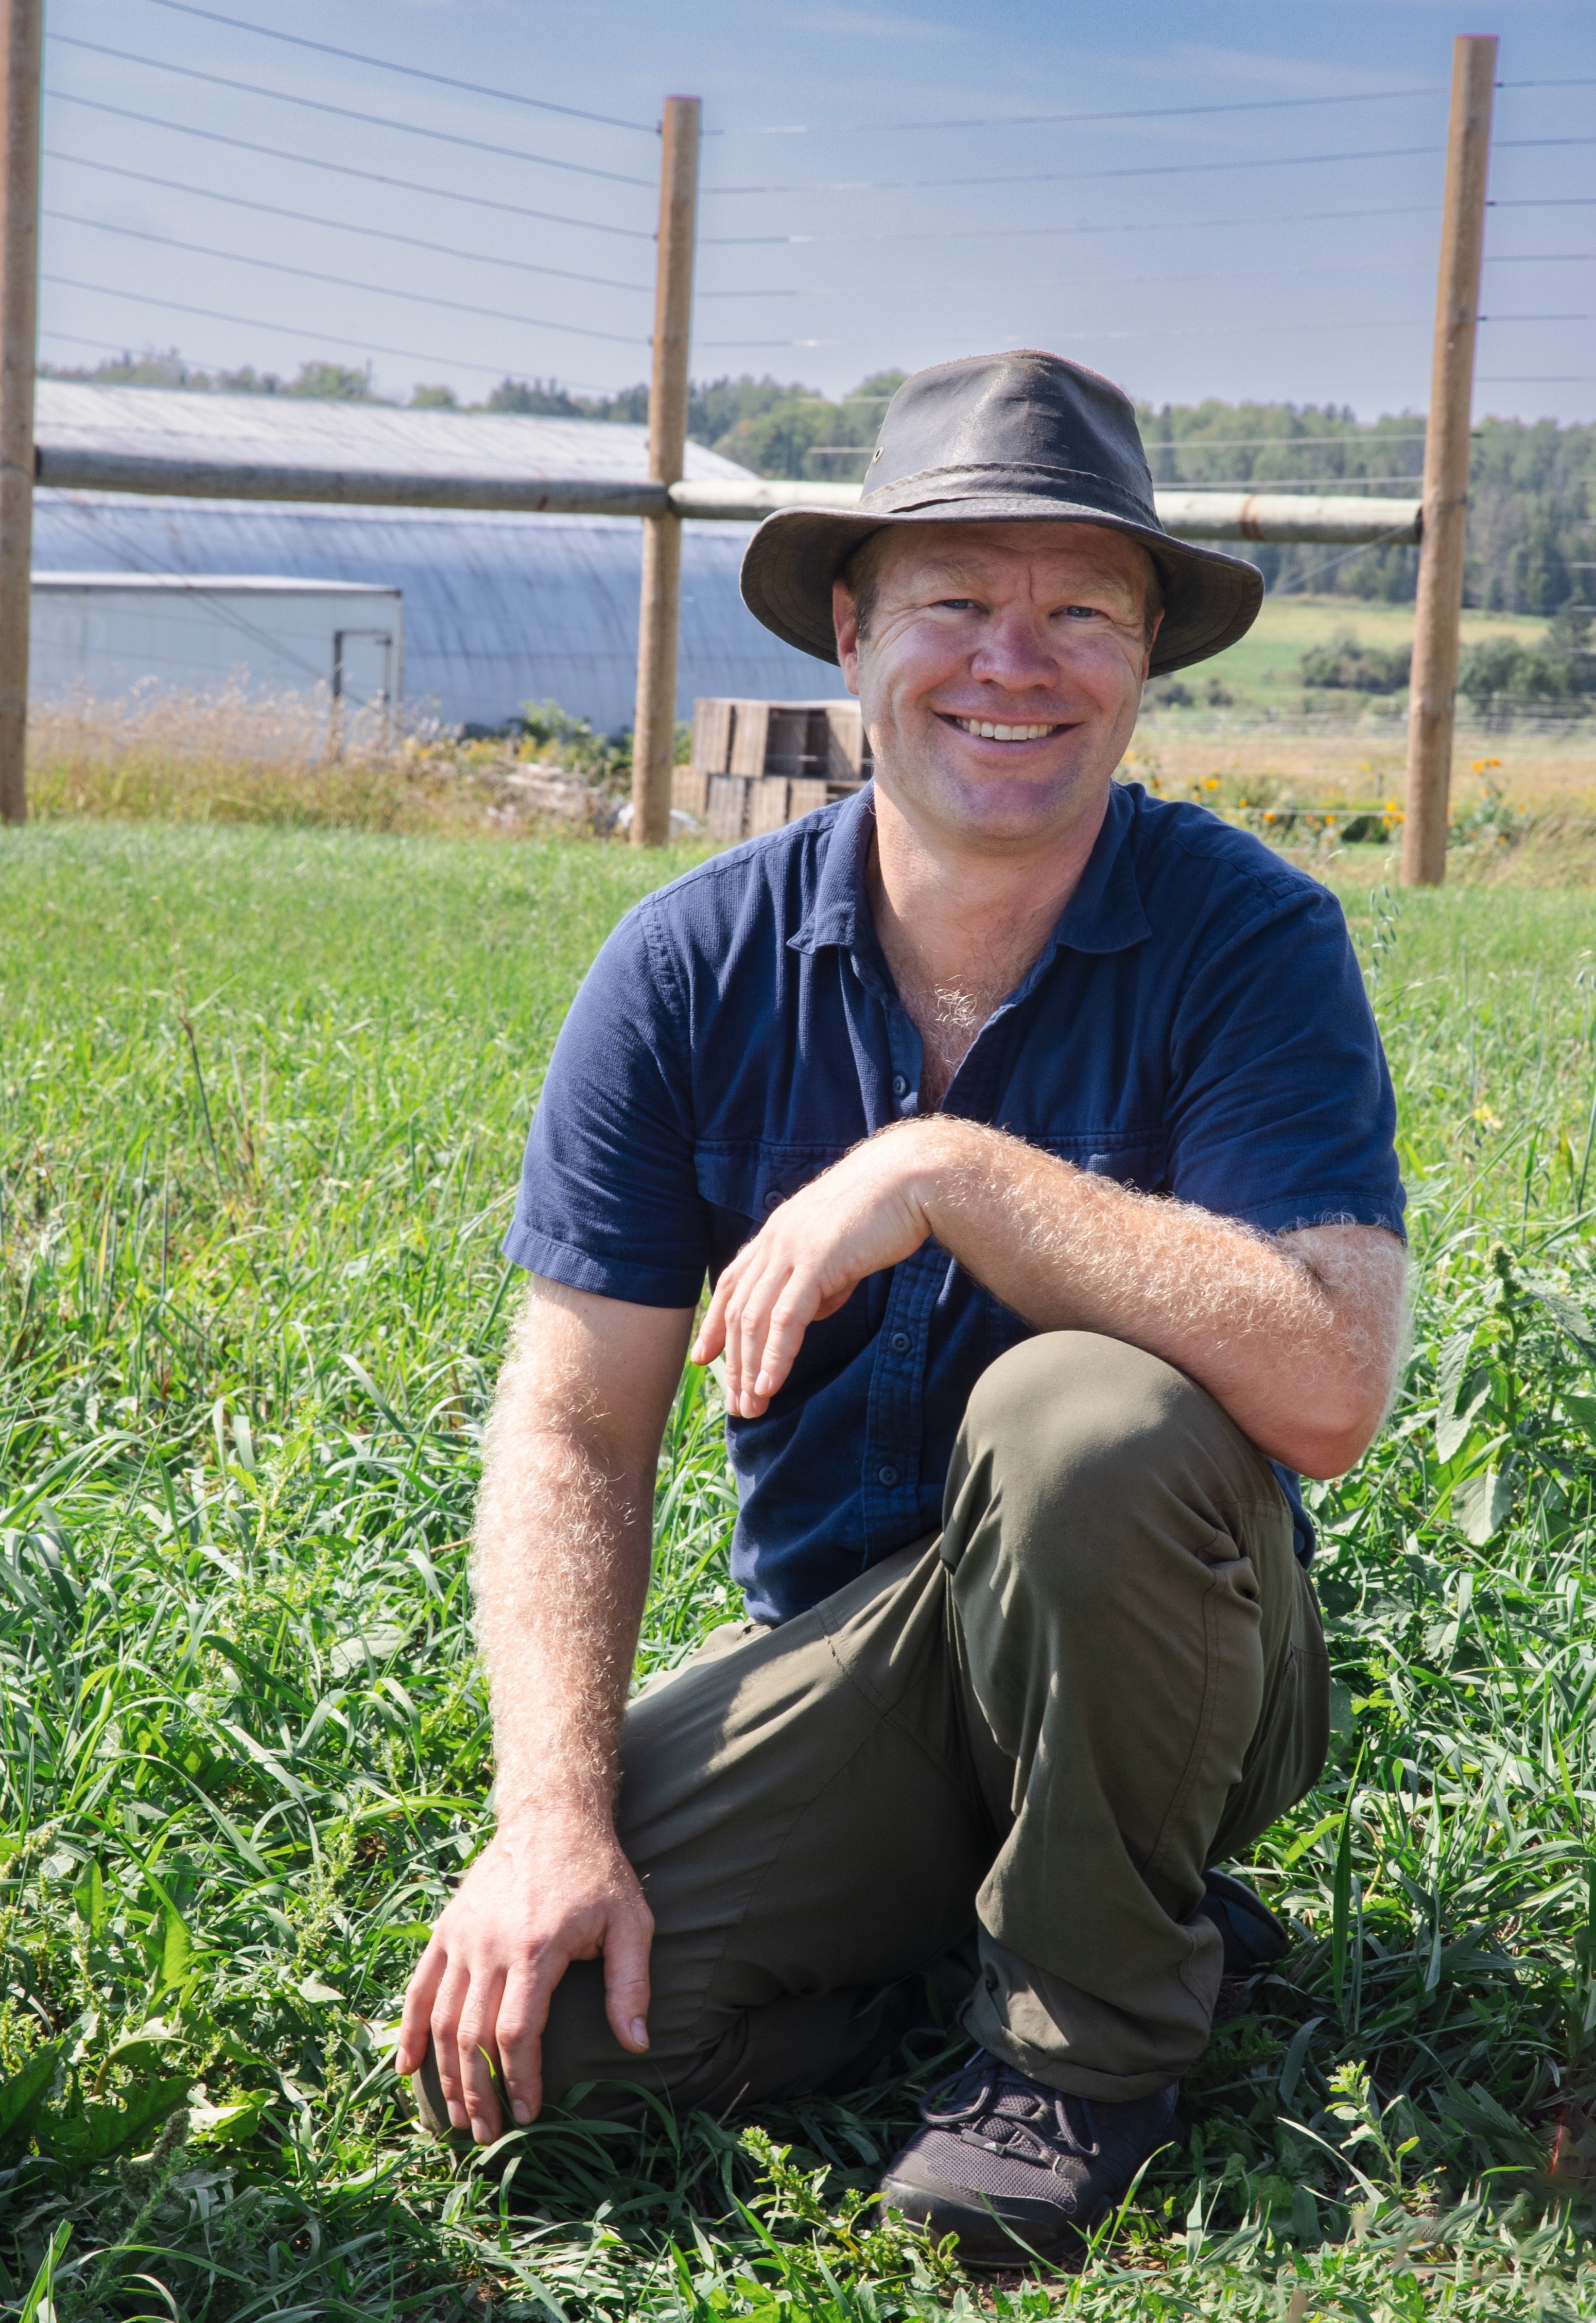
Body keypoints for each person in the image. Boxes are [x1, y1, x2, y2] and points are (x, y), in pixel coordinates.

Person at [396, 350, 1408, 2266]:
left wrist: (948, 1174)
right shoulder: (690, 967)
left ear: (1144, 658)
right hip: (860, 1656)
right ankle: (1046, 1925)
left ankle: (1081, 2049)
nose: (1011, 663)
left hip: (1178, 1649)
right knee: (540, 2053)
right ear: (854, 631)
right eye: (955, 603)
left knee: (1078, 1415)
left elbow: (1331, 1380)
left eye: (1078, 611)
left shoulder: (1250, 938)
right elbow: (570, 1424)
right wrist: (553, 1821)